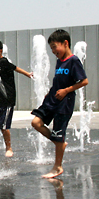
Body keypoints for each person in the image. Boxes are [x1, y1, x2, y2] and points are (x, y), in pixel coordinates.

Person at [31, 29, 88, 178]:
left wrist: (66, 90)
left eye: (55, 47)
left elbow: (84, 81)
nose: (53, 51)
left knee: (58, 133)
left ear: (65, 43)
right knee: (36, 123)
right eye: (51, 48)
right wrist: (51, 92)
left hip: (64, 102)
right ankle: (59, 142)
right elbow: (58, 80)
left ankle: (58, 167)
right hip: (52, 99)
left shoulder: (74, 61)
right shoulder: (59, 61)